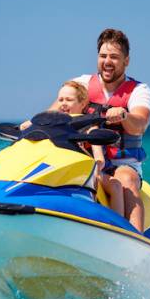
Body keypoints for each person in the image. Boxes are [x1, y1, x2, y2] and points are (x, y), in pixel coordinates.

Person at [56, 28, 150, 232]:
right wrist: (31, 125)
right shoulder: (81, 84)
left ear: (126, 60)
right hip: (85, 157)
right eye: (103, 56)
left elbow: (141, 123)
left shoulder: (139, 90)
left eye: (114, 57)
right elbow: (54, 111)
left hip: (122, 163)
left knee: (126, 180)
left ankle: (137, 240)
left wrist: (125, 115)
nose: (107, 61)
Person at [53, 81, 125, 218]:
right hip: (61, 171)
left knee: (115, 185)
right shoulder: (54, 128)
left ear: (82, 104)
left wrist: (95, 172)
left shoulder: (90, 128)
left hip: (89, 173)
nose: (63, 103)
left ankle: (118, 226)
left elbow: (99, 160)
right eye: (60, 99)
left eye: (69, 100)